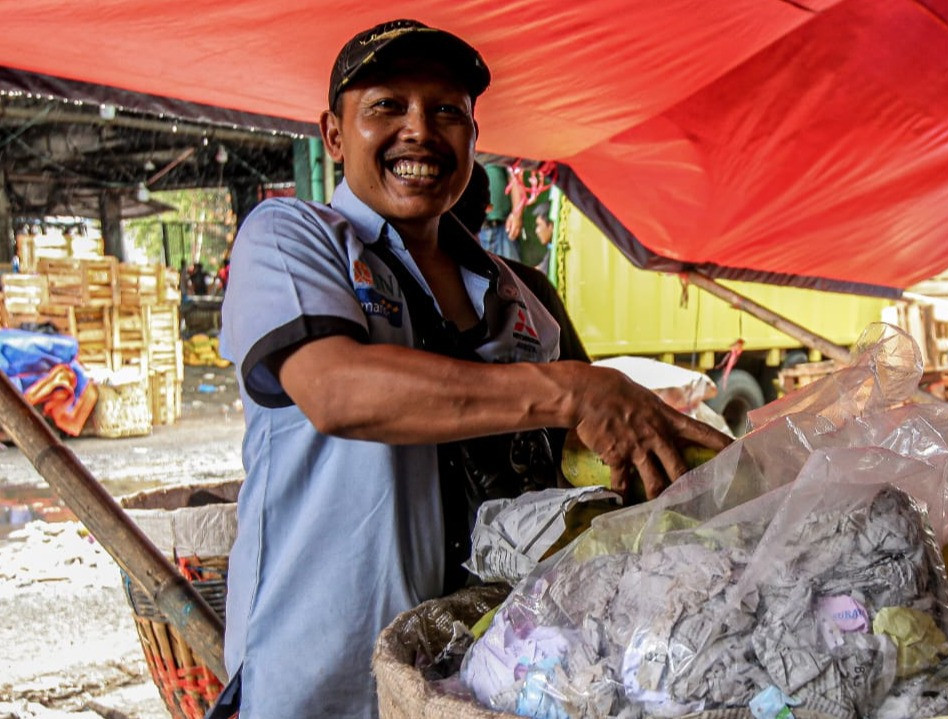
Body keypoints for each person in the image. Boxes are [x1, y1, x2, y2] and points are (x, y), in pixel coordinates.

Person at [212, 19, 729, 719]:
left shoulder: (521, 299)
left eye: (447, 112)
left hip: (486, 681)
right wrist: (571, 391)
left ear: (473, 139)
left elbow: (574, 468)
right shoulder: (292, 238)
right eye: (387, 106)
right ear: (333, 135)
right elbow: (335, 389)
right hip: (323, 684)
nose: (420, 131)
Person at [477, 163, 520, 260]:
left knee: (510, 268)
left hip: (504, 229)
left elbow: (514, 177)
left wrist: (517, 214)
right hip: (474, 232)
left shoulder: (499, 155)